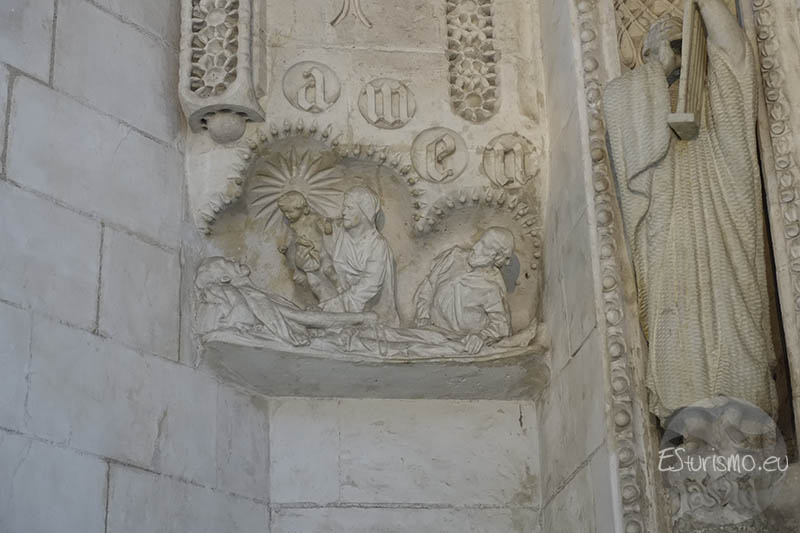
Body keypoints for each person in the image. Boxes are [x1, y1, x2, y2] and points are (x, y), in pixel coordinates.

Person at [603, 0, 777, 420]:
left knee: (737, 362)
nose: (679, 64)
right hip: (672, 271)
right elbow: (616, 106)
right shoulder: (650, 143)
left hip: (728, 276)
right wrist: (655, 69)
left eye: (685, 49)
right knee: (679, 343)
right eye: (670, 52)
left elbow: (735, 53)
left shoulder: (725, 123)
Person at [414, 227, 514, 354]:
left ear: (497, 257)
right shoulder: (454, 257)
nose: (475, 247)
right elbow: (429, 286)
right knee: (395, 338)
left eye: (484, 246)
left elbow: (501, 325)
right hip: (429, 332)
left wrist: (481, 337)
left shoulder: (492, 288)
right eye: (480, 241)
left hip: (458, 344)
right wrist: (423, 315)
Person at [319, 186, 400, 327]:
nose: (343, 212)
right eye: (344, 207)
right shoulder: (339, 235)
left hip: (371, 314)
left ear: (365, 213)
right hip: (339, 304)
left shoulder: (377, 245)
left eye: (350, 208)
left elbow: (370, 284)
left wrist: (338, 304)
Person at [276, 191, 337, 302]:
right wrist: (285, 245)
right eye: (284, 212)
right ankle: (324, 301)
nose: (287, 215)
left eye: (290, 212)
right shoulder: (293, 225)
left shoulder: (313, 218)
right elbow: (290, 237)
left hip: (321, 252)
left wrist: (327, 225)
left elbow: (325, 220)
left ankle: (342, 289)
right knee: (313, 282)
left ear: (302, 208)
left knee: (329, 270)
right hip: (307, 257)